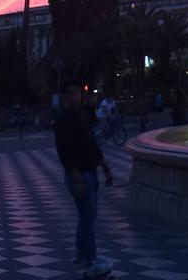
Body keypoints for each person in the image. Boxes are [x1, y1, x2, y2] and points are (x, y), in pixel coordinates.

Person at [54, 79, 114, 278]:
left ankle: (82, 254)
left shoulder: (81, 116)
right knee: (87, 217)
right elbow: (64, 150)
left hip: (90, 170)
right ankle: (91, 259)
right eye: (71, 93)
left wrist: (104, 166)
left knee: (87, 217)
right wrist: (75, 175)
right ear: (65, 97)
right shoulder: (63, 120)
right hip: (80, 174)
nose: (75, 96)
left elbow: (91, 143)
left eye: (78, 93)